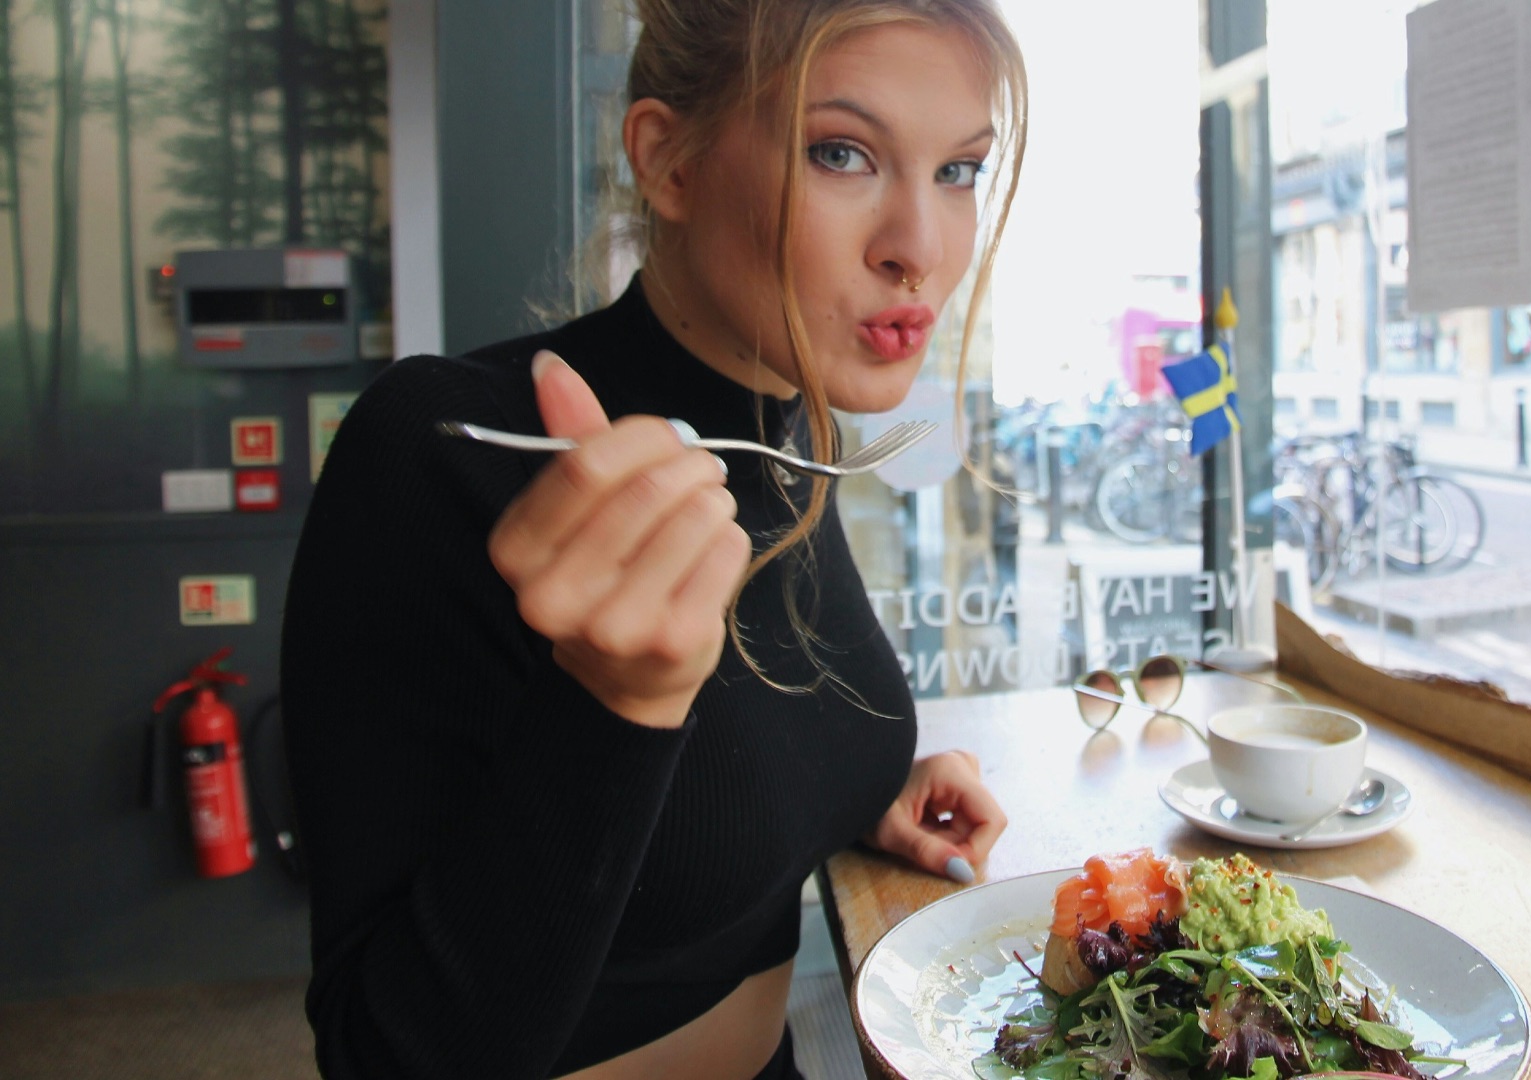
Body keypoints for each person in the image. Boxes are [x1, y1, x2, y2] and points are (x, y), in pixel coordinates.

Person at [280, 2, 1027, 1077]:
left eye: (959, 170)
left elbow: (714, 783)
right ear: (668, 161)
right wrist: (614, 705)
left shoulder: (793, 423)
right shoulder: (441, 448)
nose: (920, 249)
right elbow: (380, 1052)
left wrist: (858, 788)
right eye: (842, 154)